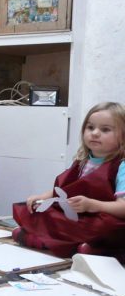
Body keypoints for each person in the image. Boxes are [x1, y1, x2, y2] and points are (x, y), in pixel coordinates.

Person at [13, 102, 125, 258]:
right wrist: (42, 198)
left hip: (101, 217)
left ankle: (96, 249)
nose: (95, 133)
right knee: (45, 213)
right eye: (90, 127)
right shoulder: (82, 161)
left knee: (105, 227)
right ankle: (54, 241)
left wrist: (93, 205)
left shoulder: (121, 166)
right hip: (79, 217)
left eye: (105, 129)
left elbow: (123, 207)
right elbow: (65, 190)